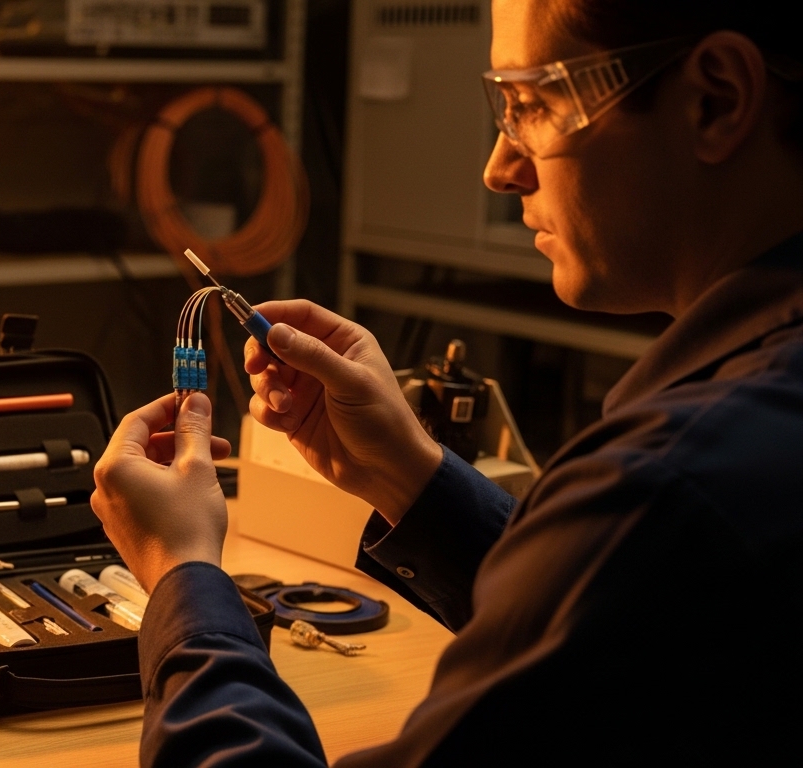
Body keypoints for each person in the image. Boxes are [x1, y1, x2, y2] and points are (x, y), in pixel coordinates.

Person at [89, 0, 803, 764]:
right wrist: (409, 475)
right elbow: (622, 619)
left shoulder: (668, 488)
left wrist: (183, 578)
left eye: (532, 104)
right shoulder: (738, 440)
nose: (499, 169)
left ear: (715, 98)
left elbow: (633, 553)